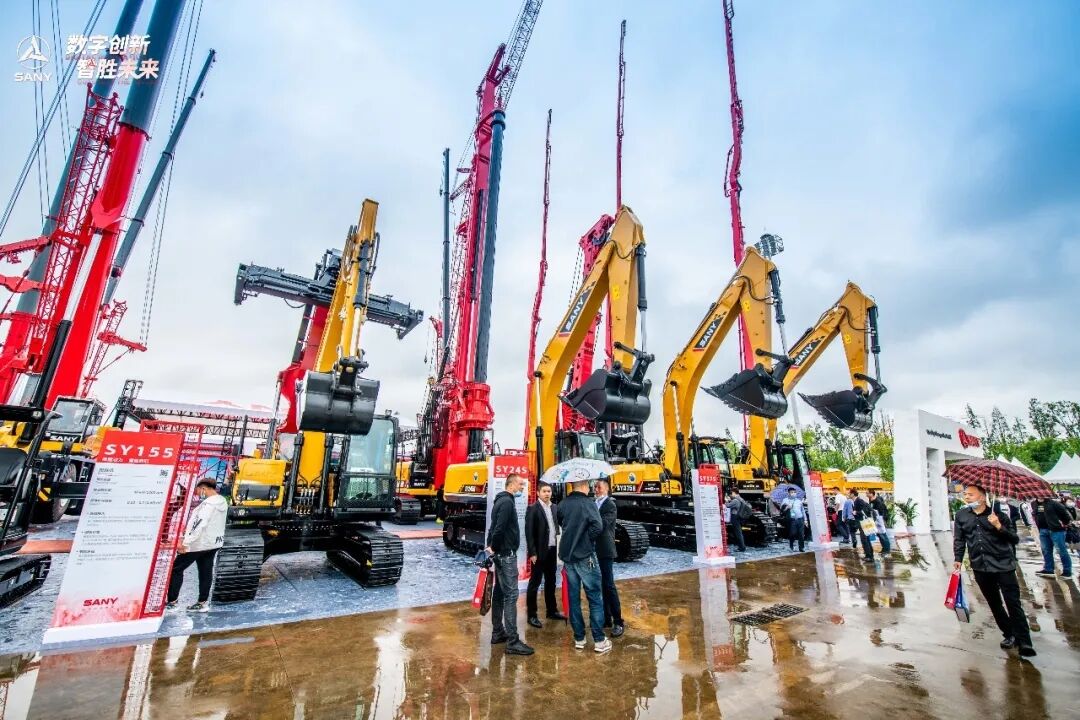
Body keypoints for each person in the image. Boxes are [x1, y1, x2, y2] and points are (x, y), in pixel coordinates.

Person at [953, 483, 1035, 657]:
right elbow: (959, 539)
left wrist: (998, 526)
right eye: (965, 494)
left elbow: (1014, 539)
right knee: (994, 603)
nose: (966, 497)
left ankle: (1025, 641)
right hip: (980, 566)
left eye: (971, 494)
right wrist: (958, 559)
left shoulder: (999, 516)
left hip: (1003, 565)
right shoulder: (961, 516)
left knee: (1013, 603)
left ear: (982, 497)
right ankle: (1009, 633)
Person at [557, 478, 611, 654]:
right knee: (594, 598)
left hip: (568, 556)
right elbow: (598, 525)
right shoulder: (588, 503)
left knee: (573, 599)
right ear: (583, 485)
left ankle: (579, 638)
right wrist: (586, 539)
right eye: (588, 485)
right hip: (585, 556)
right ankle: (599, 640)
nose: (590, 488)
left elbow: (561, 522)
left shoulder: (563, 504)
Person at [485, 473, 534, 656]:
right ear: (511, 484)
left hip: (500, 554)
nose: (522, 487)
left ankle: (498, 632)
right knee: (511, 595)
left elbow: (493, 527)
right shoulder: (506, 502)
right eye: (520, 484)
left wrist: (492, 547)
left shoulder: (500, 501)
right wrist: (494, 547)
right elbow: (499, 528)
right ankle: (513, 641)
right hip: (506, 555)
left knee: (499, 593)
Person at [167, 479, 228, 612]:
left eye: (198, 490)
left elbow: (199, 524)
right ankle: (202, 603)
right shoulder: (222, 501)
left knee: (176, 569)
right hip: (213, 543)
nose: (198, 493)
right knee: (205, 571)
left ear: (203, 488)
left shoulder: (208, 505)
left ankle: (172, 601)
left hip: (198, 543)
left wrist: (186, 542)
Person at [525, 482, 566, 628]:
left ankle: (552, 610)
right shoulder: (533, 508)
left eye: (549, 491)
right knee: (534, 583)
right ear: (538, 493)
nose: (547, 493)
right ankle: (532, 615)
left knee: (551, 581)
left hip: (552, 550)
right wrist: (532, 552)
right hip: (539, 552)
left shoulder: (555, 507)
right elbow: (529, 533)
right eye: (544, 491)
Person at [593, 479, 624, 637]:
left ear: (606, 489)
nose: (596, 489)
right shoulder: (594, 504)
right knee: (601, 585)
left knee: (609, 585)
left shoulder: (609, 505)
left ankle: (618, 621)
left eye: (599, 487)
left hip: (605, 549)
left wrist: (590, 521)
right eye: (595, 487)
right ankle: (606, 618)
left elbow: (602, 524)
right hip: (594, 549)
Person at [1032, 495, 1073, 578]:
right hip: (1042, 530)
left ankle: (1067, 570)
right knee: (1046, 550)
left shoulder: (1054, 503)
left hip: (1056, 530)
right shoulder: (1034, 503)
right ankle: (1048, 569)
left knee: (1061, 550)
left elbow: (1065, 515)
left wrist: (1063, 524)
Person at [850, 490, 875, 561]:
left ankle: (869, 556)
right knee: (865, 539)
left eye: (849, 493)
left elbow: (867, 510)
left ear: (852, 494)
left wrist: (856, 512)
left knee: (864, 539)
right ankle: (869, 555)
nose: (848, 494)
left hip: (863, 523)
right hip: (862, 522)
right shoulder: (856, 501)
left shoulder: (859, 501)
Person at [779, 487, 806, 552]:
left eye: (794, 492)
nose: (793, 493)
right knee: (792, 534)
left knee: (801, 534)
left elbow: (802, 510)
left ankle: (801, 548)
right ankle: (791, 546)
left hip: (800, 519)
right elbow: (781, 510)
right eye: (792, 492)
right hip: (792, 520)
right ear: (788, 493)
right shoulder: (785, 500)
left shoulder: (798, 501)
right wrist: (787, 507)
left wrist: (805, 519)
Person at [867, 489, 892, 554]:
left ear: (871, 494)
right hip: (876, 520)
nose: (866, 494)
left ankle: (887, 549)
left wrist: (883, 520)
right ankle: (884, 548)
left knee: (882, 534)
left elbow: (882, 511)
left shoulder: (878, 501)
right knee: (879, 535)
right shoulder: (871, 501)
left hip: (880, 520)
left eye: (867, 493)